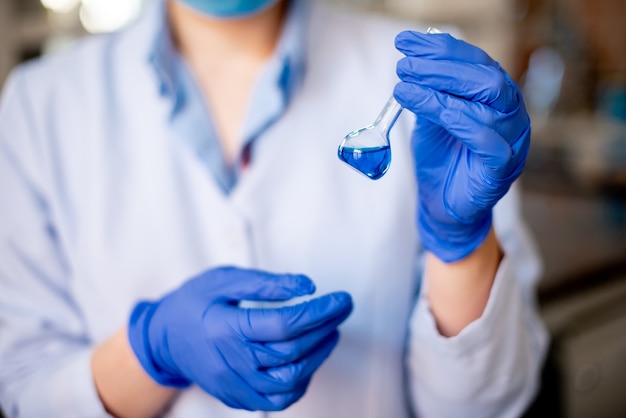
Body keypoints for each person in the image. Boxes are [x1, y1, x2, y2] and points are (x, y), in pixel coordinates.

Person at [0, 0, 549, 417]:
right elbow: (23, 390)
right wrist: (149, 353)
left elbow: (485, 404)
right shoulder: (41, 104)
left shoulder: (423, 80)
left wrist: (463, 246)